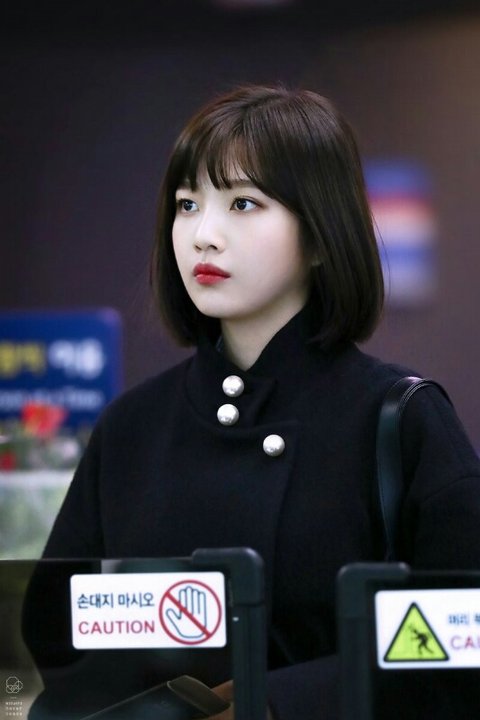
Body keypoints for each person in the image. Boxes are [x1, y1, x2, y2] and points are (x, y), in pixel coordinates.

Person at [38, 85, 480, 719]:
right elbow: (51, 645)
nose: (203, 235)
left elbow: (464, 647)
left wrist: (272, 705)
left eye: (244, 203)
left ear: (321, 235)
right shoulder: (131, 428)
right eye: (187, 204)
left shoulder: (398, 418)